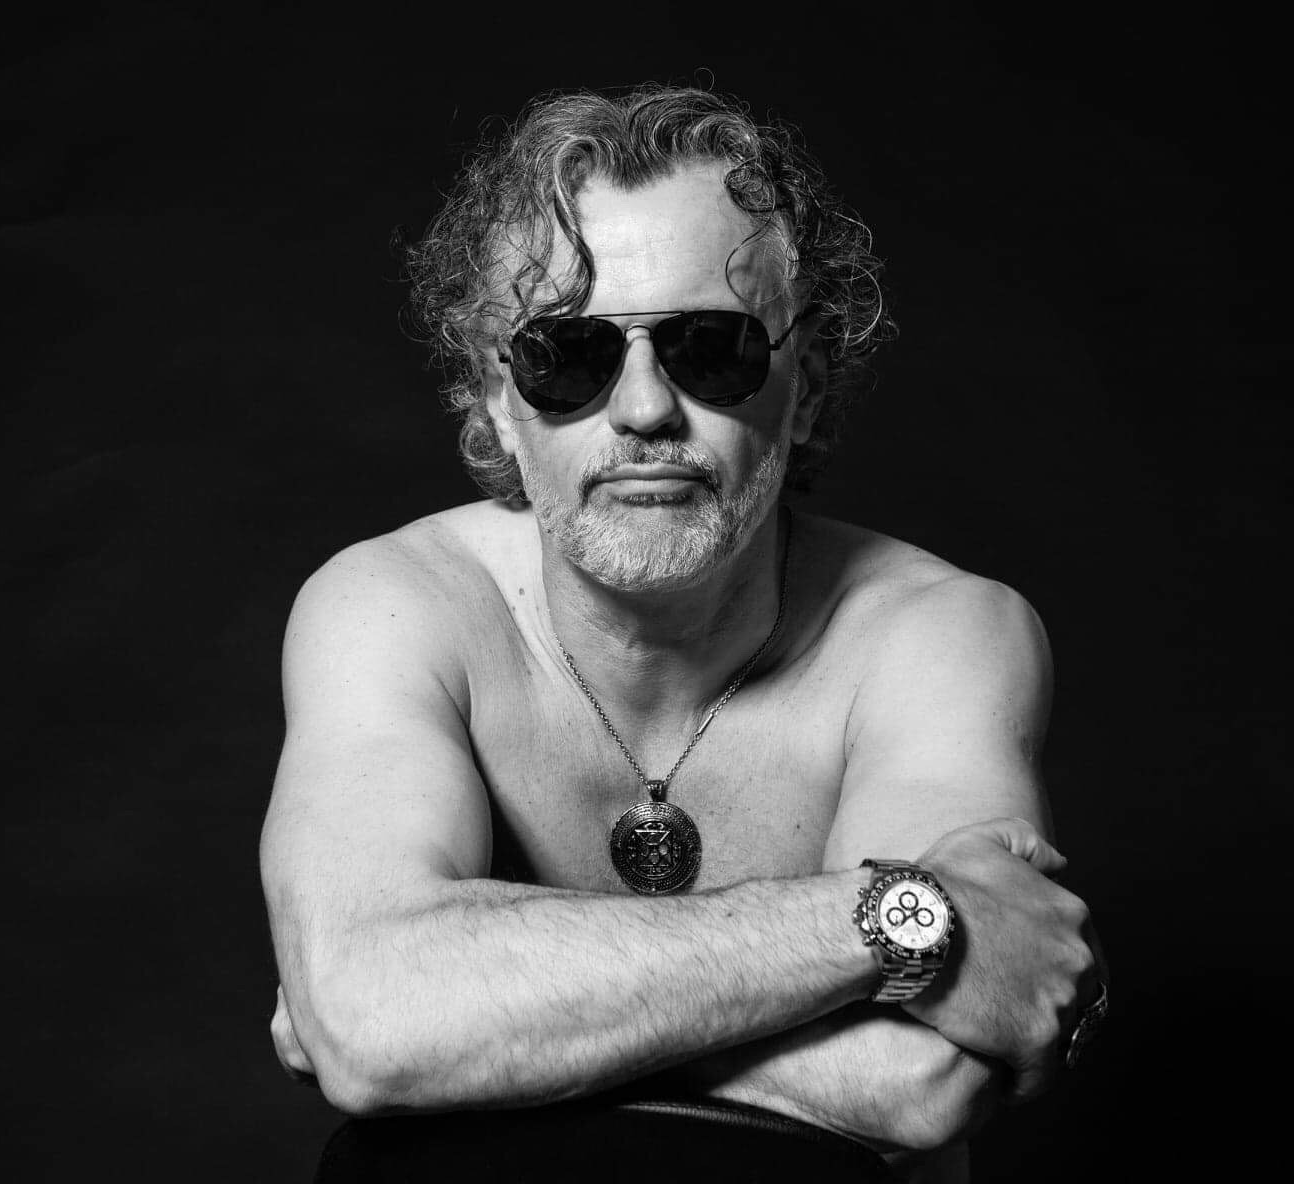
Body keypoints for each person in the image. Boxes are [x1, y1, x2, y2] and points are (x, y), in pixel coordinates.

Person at [260, 83, 1105, 1182]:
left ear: (804, 387)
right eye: (567, 355)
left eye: (711, 349)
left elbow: (922, 1078)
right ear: (498, 400)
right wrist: (884, 922)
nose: (643, 409)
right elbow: (372, 1020)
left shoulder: (939, 633)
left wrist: (467, 1019)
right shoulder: (392, 607)